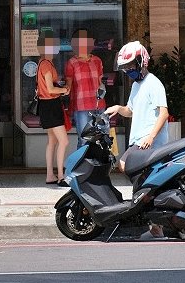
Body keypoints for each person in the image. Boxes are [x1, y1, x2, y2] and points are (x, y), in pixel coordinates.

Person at [103, 41, 169, 238]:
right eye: (125, 67)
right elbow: (130, 111)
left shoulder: (154, 83)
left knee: (125, 166)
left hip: (148, 142)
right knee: (139, 180)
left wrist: (151, 137)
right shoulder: (136, 86)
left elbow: (164, 113)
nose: (128, 70)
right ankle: (153, 222)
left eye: (131, 66)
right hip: (138, 140)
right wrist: (117, 108)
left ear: (142, 62)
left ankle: (151, 221)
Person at [36, 35, 70, 184]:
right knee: (64, 141)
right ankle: (61, 176)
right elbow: (50, 89)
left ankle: (50, 175)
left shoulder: (43, 63)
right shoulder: (46, 64)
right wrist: (64, 90)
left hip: (46, 105)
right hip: (51, 105)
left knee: (52, 141)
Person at [65, 29, 105, 135]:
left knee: (101, 138)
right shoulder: (72, 63)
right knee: (84, 139)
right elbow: (68, 85)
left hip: (99, 105)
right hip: (81, 106)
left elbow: (100, 82)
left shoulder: (97, 60)